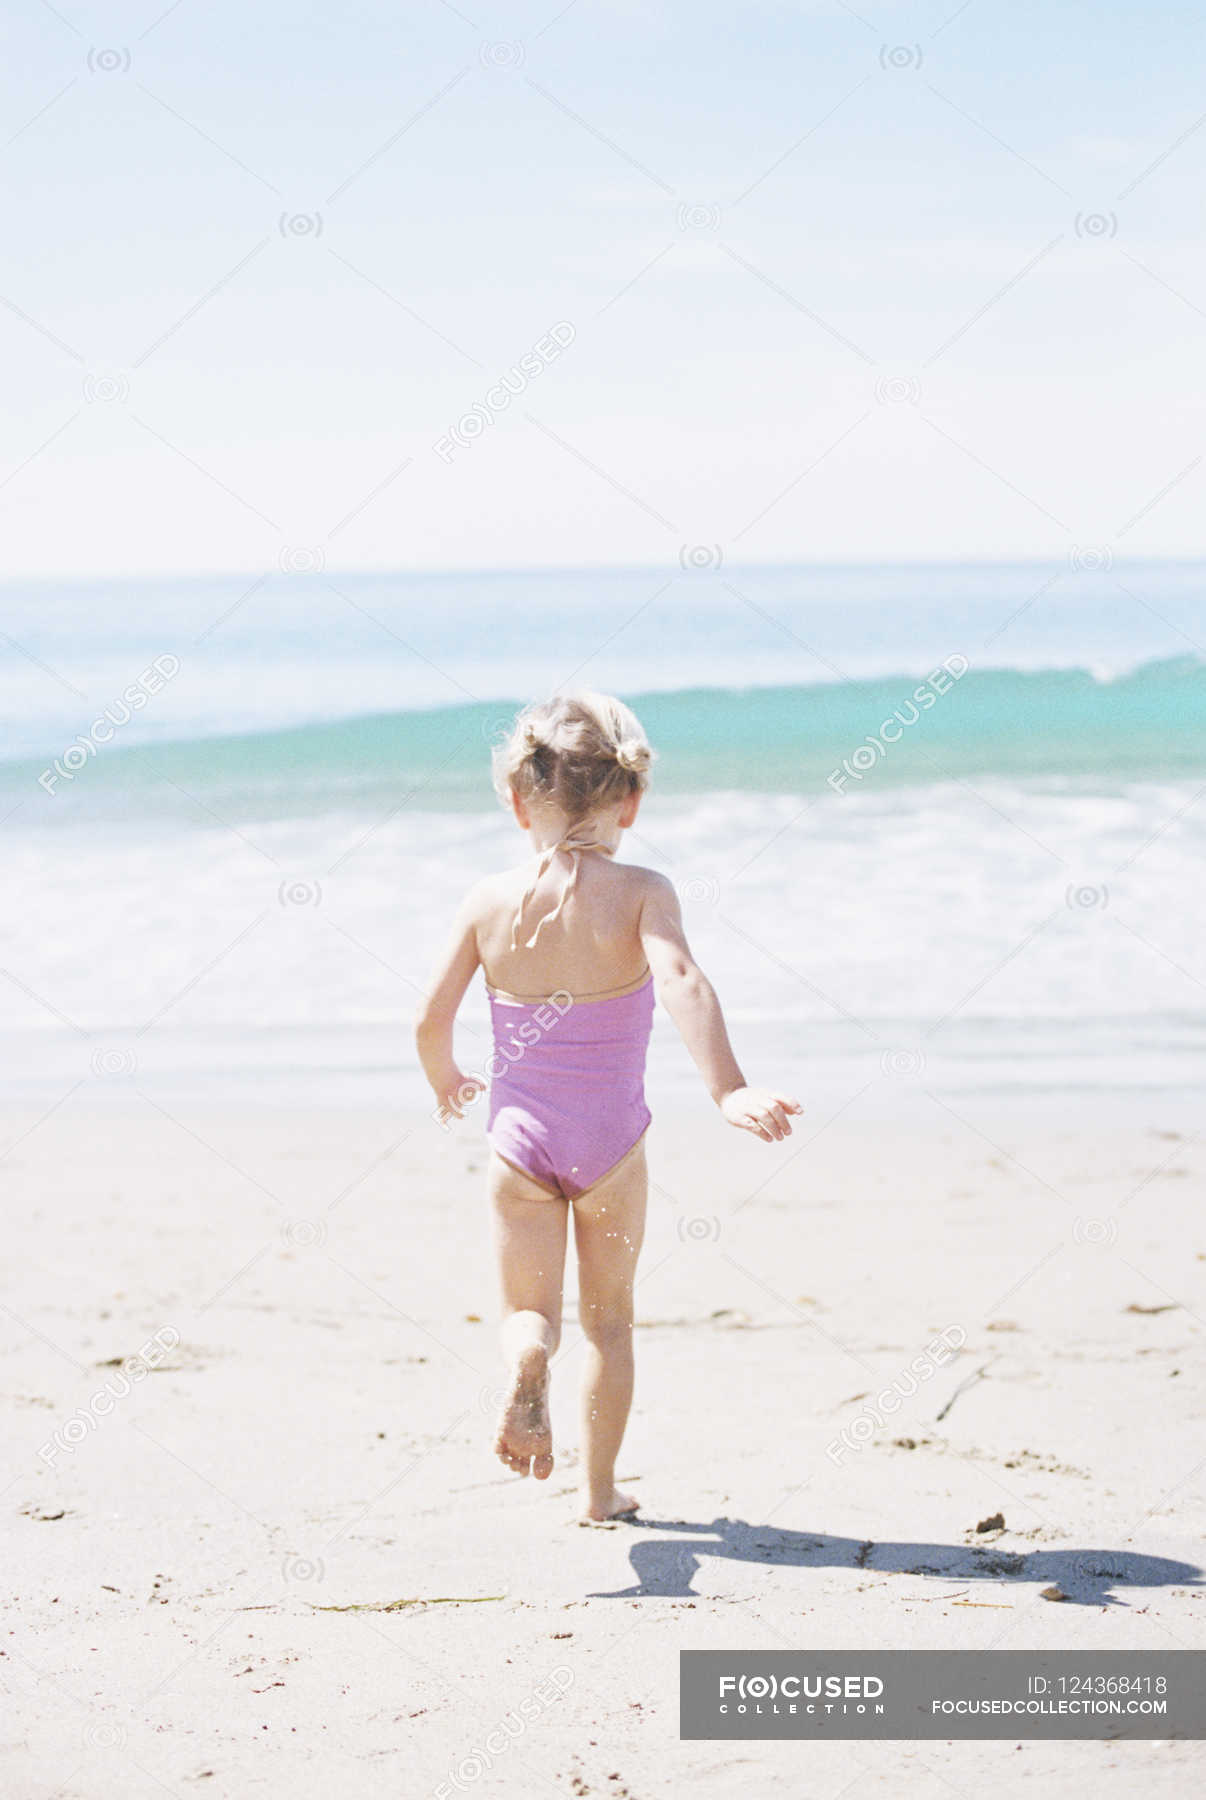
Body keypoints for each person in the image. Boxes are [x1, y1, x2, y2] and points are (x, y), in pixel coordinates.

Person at [415, 691, 801, 1521]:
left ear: (518, 800)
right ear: (631, 799)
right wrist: (728, 1088)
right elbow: (682, 981)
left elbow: (428, 1016)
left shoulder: (485, 901)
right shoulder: (641, 891)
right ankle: (598, 1493)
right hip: (610, 1148)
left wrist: (445, 1078)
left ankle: (526, 1359)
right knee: (611, 1325)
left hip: (517, 1145)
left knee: (528, 1308)